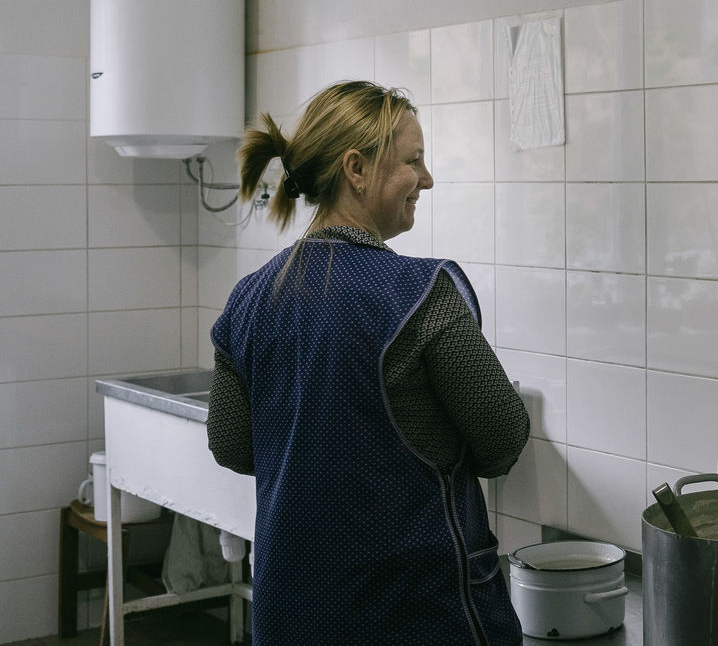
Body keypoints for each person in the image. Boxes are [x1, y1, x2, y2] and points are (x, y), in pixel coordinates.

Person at [206, 80, 530, 646]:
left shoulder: (249, 299)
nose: (427, 179)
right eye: (413, 161)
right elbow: (502, 438)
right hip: (418, 613)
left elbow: (231, 445)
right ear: (356, 169)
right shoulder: (422, 295)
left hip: (293, 614)